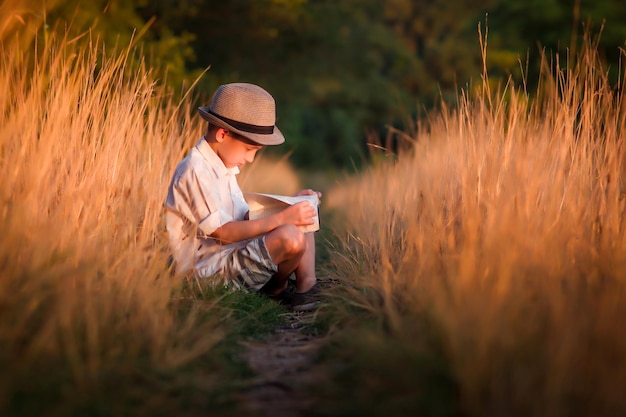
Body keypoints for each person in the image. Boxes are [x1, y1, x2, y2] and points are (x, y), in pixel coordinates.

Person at [165, 83, 322, 311]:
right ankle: (276, 289)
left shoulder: (223, 166)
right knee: (290, 234)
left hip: (234, 256)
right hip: (211, 273)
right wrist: (281, 219)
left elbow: (246, 218)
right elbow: (224, 233)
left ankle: (306, 286)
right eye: (250, 149)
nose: (250, 160)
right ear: (222, 134)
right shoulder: (195, 170)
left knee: (304, 213)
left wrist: (289, 206)